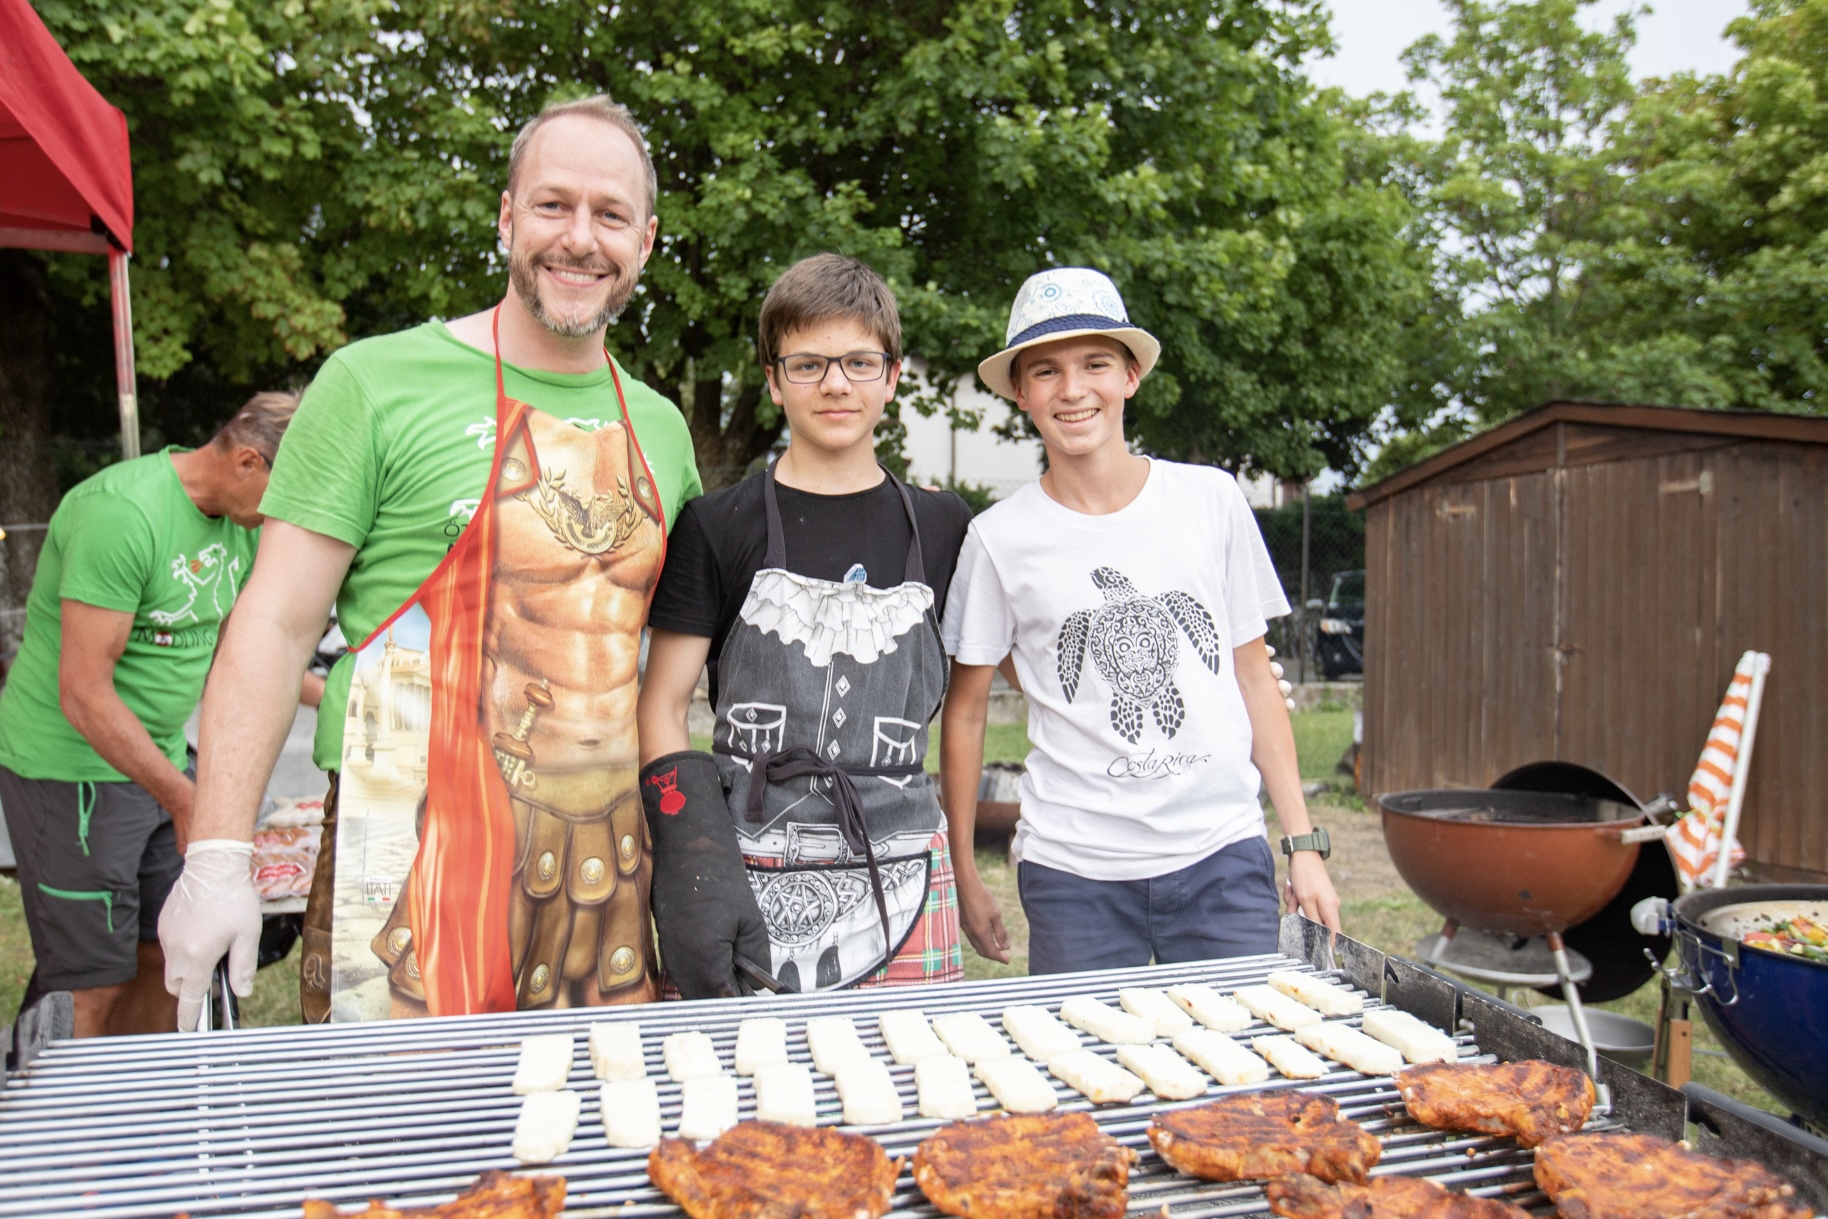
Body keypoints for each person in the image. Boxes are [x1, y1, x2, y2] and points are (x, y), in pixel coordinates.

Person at [157, 95, 701, 1030]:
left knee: (593, 1115)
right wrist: (217, 853)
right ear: (507, 217)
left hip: (603, 867)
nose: (580, 238)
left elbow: (670, 673)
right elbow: (275, 623)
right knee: (399, 1123)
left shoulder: (663, 428)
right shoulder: (374, 383)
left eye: (610, 214)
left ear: (645, 242)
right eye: (553, 205)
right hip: (406, 855)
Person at [938, 267, 1342, 975]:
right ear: (1021, 392)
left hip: (1221, 852)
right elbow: (967, 711)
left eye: (1095, 364)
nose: (1073, 389)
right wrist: (964, 871)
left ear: (1130, 375)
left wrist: (1302, 846)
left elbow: (1253, 676)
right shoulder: (998, 539)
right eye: (1046, 371)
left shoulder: (1211, 501)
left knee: (1241, 1045)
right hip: (1075, 872)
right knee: (1086, 1048)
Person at [635, 253, 973, 997]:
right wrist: (695, 863)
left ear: (892, 375)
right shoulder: (717, 525)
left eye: (859, 362)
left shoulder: (945, 526)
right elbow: (661, 705)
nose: (835, 384)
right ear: (772, 379)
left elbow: (977, 693)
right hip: (748, 866)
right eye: (808, 364)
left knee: (912, 1069)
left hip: (906, 872)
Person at [0, 391, 310, 1037]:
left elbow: (241, 643)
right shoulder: (121, 515)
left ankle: (143, 1095)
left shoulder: (238, 523)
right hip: (72, 774)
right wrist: (184, 796)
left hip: (158, 764)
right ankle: (67, 1101)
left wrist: (336, 693)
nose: (286, 511)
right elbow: (83, 693)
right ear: (248, 461)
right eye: (286, 489)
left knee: (171, 954)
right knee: (91, 982)